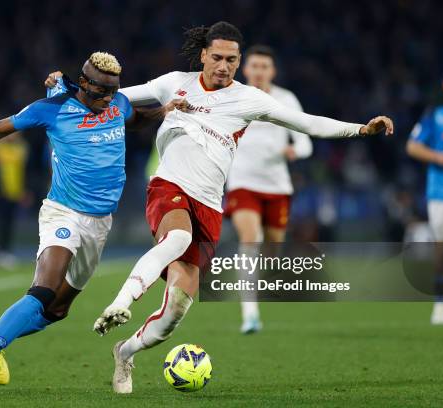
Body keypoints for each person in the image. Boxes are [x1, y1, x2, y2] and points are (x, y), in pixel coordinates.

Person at [82, 22, 392, 394]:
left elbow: (308, 124)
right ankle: (122, 301)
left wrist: (361, 129)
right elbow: (117, 96)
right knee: (177, 237)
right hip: (168, 188)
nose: (223, 66)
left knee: (174, 313)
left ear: (239, 60)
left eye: (231, 59)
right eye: (217, 58)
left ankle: (125, 351)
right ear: (203, 56)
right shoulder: (174, 82)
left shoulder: (250, 100)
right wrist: (68, 90)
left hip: (209, 205)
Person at [0, 52, 185, 398]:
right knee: (43, 290)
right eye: (102, 92)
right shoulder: (52, 108)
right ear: (84, 83)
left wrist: (165, 111)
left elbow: (134, 119)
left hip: (100, 223)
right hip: (63, 213)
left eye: (113, 91)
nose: (109, 99)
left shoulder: (117, 103)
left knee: (56, 310)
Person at [224, 45, 312, 334]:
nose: (259, 71)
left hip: (277, 185)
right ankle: (250, 313)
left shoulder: (286, 99)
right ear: (245, 69)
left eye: (265, 67)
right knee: (251, 239)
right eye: (254, 66)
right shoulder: (231, 96)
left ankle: (252, 287)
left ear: (272, 71)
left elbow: (305, 141)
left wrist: (294, 151)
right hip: (242, 182)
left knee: (271, 252)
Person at [406, 68, 443, 325]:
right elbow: (412, 145)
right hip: (440, 192)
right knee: (442, 249)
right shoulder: (435, 116)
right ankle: (440, 302)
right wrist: (439, 157)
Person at [0, 132, 32, 269]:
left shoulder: (21, 149)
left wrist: (24, 190)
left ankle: (5, 252)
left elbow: (26, 170)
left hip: (15, 192)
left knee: (9, 224)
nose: (11, 136)